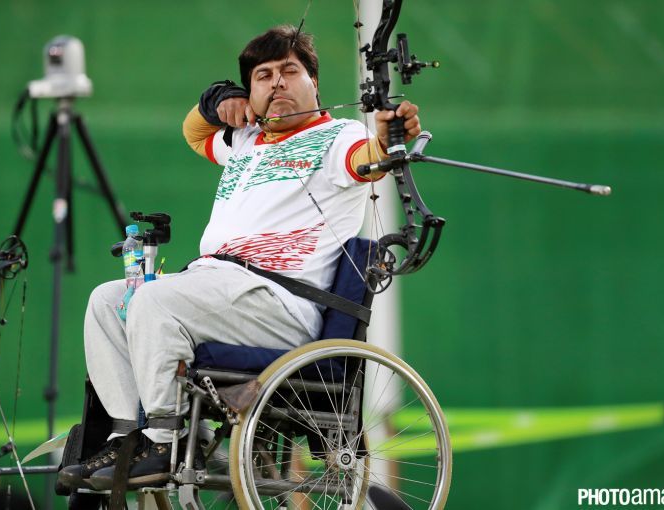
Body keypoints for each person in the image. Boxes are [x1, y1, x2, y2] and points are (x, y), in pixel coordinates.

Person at [58, 24, 422, 490]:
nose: (277, 82)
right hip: (220, 290)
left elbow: (366, 159)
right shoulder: (245, 139)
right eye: (263, 76)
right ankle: (130, 439)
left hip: (280, 303)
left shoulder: (338, 135)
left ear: (314, 82)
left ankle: (164, 441)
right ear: (251, 93)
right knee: (107, 302)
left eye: (289, 71)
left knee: (153, 301)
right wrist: (218, 100)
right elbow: (193, 131)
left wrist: (389, 139)